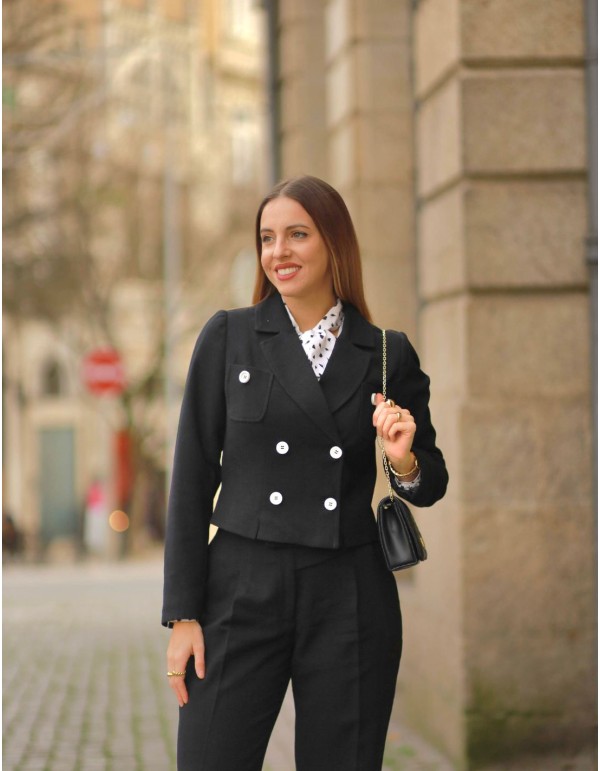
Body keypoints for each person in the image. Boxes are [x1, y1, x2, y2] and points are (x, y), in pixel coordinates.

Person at [162, 175, 448, 771]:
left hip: (349, 592)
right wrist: (183, 614)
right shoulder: (229, 337)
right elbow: (190, 480)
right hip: (240, 587)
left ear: (334, 242)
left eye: (297, 234)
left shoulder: (386, 353)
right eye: (267, 238)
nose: (278, 252)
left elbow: (432, 482)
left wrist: (403, 459)